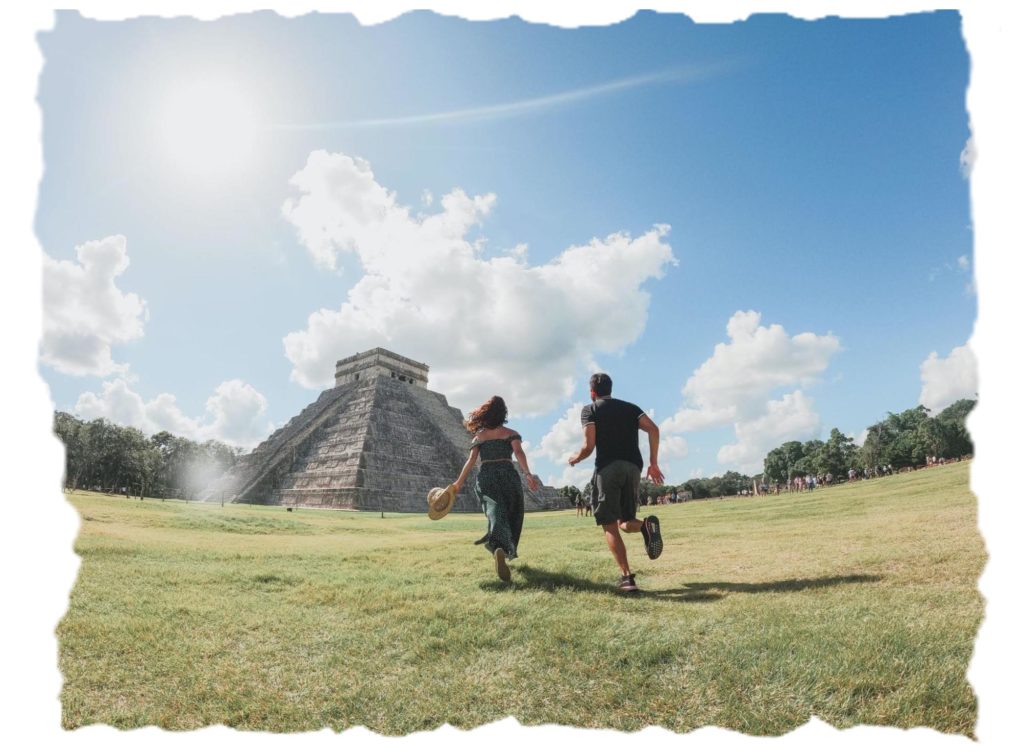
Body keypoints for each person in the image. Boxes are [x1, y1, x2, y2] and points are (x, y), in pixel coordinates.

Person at [567, 373, 664, 594]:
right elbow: (654, 429)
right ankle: (645, 526)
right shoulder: (630, 408)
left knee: (609, 524)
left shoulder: (590, 410)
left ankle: (627, 578)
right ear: (611, 388)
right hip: (633, 467)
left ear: (592, 392)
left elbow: (589, 446)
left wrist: (575, 458)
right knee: (625, 521)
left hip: (608, 469)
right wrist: (653, 463)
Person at [453, 396, 540, 583]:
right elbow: (518, 453)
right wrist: (528, 474)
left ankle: (497, 546)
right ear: (504, 414)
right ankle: (503, 547)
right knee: (513, 513)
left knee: (494, 511)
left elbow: (470, 461)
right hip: (508, 475)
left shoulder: (480, 436)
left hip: (487, 475)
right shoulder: (511, 433)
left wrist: (458, 483)